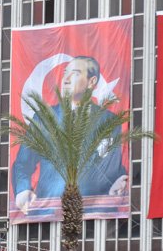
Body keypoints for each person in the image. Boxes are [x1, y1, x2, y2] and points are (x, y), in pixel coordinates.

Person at [11, 56, 127, 220]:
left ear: (91, 82)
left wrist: (118, 181)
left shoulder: (109, 122)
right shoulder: (44, 119)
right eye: (65, 73)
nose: (65, 79)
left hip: (94, 214)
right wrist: (22, 190)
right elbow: (23, 163)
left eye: (75, 73)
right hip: (47, 215)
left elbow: (112, 166)